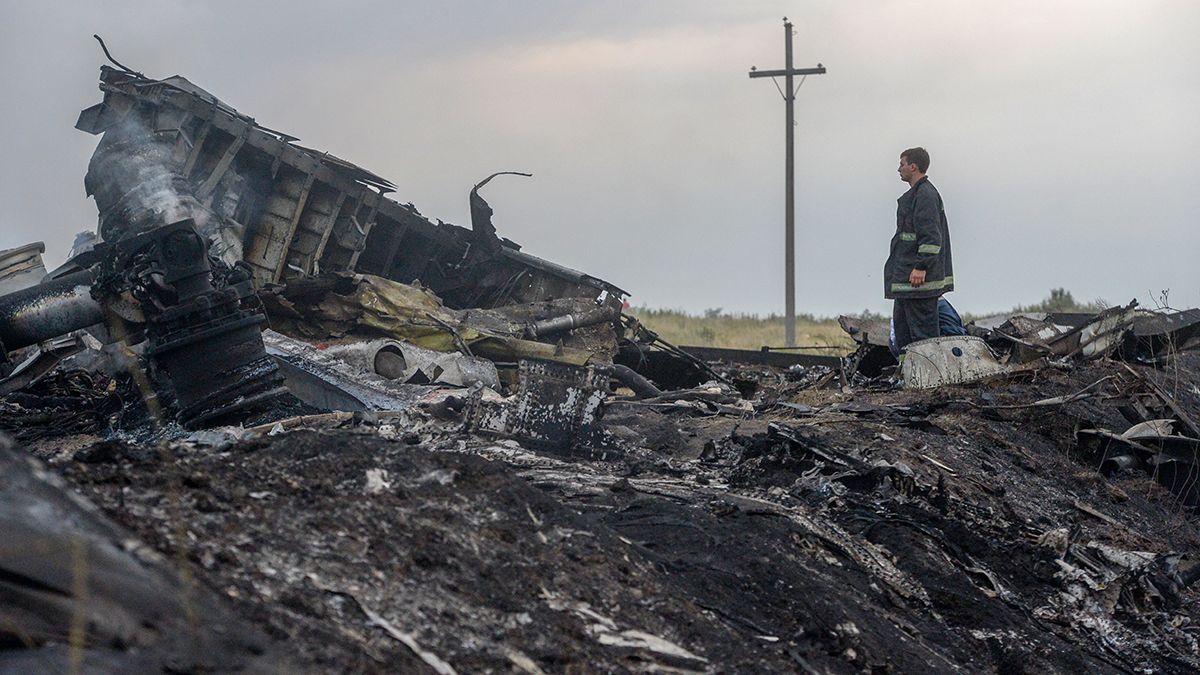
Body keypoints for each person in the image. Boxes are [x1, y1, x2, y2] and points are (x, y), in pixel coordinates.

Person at [884, 147, 954, 354]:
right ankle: (909, 377)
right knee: (903, 332)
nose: (899, 169)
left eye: (902, 164)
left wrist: (921, 267)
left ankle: (930, 378)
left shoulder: (925, 195)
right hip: (907, 282)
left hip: (919, 283)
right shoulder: (915, 195)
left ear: (913, 166)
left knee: (925, 336)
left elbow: (931, 238)